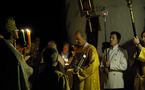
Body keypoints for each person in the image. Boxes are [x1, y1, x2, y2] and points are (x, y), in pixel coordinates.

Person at [0, 17, 33, 90]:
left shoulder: (6, 45)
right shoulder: (9, 48)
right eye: (16, 30)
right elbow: (23, 68)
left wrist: (22, 55)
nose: (17, 31)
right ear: (11, 33)